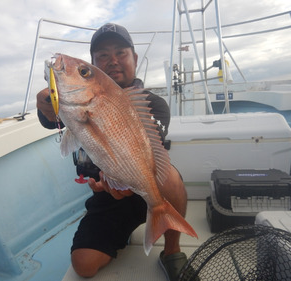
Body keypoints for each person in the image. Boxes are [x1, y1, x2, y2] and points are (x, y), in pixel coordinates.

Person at [36, 23, 188, 281]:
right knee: (83, 266)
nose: (113, 60)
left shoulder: (153, 103)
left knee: (169, 177)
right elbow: (51, 120)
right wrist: (46, 106)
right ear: (96, 61)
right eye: (103, 56)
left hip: (145, 185)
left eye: (121, 52)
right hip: (106, 194)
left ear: (134, 58)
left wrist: (127, 181)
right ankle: (123, 231)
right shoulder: (71, 105)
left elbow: (146, 155)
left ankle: (171, 249)